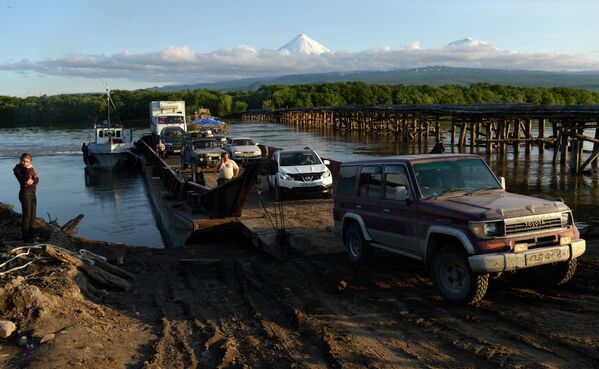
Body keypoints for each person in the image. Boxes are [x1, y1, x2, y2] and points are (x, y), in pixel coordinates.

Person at [13, 153, 39, 243]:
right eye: (23, 161)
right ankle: (26, 238)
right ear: (20, 160)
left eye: (27, 162)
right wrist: (28, 170)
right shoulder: (17, 169)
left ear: (30, 162)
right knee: (27, 216)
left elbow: (36, 179)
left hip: (32, 192)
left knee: (33, 215)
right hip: (25, 193)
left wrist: (33, 180)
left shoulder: (31, 168)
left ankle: (32, 235)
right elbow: (25, 179)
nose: (25, 163)